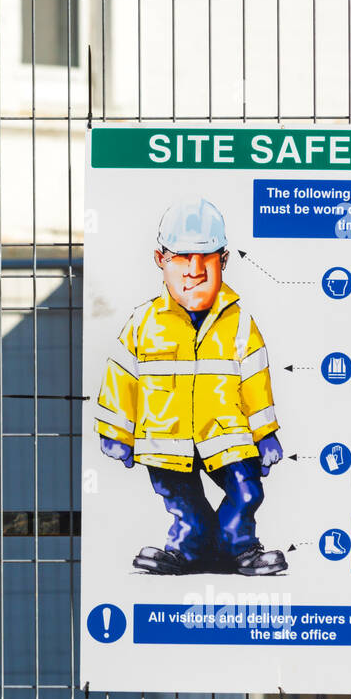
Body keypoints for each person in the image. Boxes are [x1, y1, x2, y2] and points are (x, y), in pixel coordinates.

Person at [94, 197, 287, 576]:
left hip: (228, 437)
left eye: (207, 258)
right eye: (182, 257)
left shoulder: (240, 324)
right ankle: (188, 548)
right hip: (164, 440)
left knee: (246, 493)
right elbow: (121, 378)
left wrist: (265, 435)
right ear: (160, 258)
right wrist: (116, 432)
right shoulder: (141, 324)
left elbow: (256, 383)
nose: (195, 270)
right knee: (182, 501)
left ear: (224, 260)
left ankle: (239, 548)